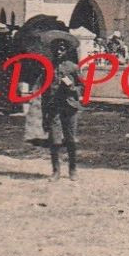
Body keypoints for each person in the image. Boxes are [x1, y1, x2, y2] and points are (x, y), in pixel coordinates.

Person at [43, 41, 86, 180]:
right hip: (53, 107)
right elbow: (44, 91)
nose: (58, 52)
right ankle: (56, 171)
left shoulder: (73, 67)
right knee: (54, 139)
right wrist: (44, 112)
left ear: (66, 51)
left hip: (70, 106)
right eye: (56, 49)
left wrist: (72, 87)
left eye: (61, 49)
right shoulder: (48, 67)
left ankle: (72, 169)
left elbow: (83, 87)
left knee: (71, 139)